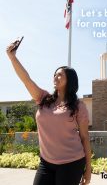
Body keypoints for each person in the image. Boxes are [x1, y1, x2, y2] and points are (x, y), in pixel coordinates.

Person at [6, 40, 92, 185]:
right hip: (46, 162)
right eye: (55, 74)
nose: (55, 77)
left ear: (69, 80)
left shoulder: (78, 106)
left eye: (60, 75)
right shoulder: (43, 98)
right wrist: (12, 57)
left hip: (72, 162)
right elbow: (26, 80)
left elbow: (85, 138)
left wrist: (88, 168)